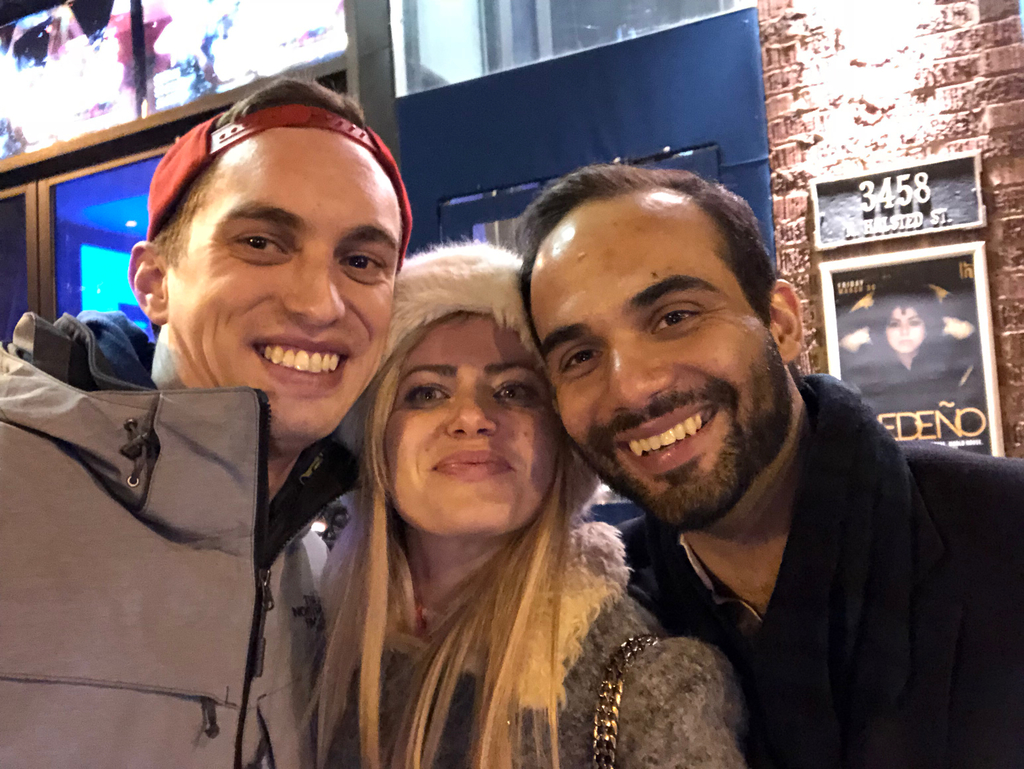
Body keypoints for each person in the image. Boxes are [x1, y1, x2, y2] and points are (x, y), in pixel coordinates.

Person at [515, 163, 1024, 769]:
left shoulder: (1005, 536)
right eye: (579, 355)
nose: (631, 388)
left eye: (674, 317)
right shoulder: (594, 620)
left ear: (781, 322)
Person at [0, 78, 411, 768]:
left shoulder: (330, 560)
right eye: (260, 241)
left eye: (362, 260)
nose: (319, 302)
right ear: (155, 283)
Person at [317, 242, 747, 769]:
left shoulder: (648, 691)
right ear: (374, 434)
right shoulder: (303, 640)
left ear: (561, 442)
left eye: (515, 391)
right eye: (426, 393)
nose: (472, 417)